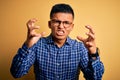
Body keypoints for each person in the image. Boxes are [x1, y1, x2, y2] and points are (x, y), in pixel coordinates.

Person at [10, 3, 104, 80]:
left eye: (66, 23)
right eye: (56, 22)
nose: (61, 27)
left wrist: (93, 54)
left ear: (72, 27)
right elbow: (16, 73)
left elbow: (95, 78)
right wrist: (27, 46)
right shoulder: (37, 45)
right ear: (50, 24)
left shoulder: (79, 48)